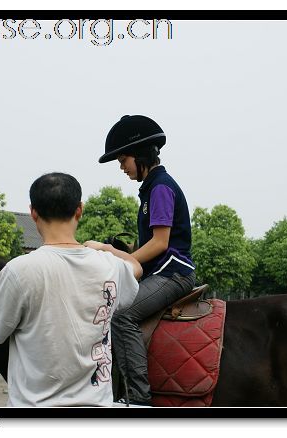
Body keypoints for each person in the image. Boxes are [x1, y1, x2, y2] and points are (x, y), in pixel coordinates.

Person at [0, 172, 142, 407]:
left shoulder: (19, 270)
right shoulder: (108, 265)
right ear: (79, 210)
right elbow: (135, 266)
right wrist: (104, 247)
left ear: (33, 213)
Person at [94, 114, 196, 406]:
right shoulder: (151, 188)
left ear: (139, 156)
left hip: (173, 274)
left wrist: (120, 259)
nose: (122, 168)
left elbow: (161, 243)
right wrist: (119, 251)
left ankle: (138, 399)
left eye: (122, 161)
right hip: (161, 273)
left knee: (121, 315)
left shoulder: (160, 187)